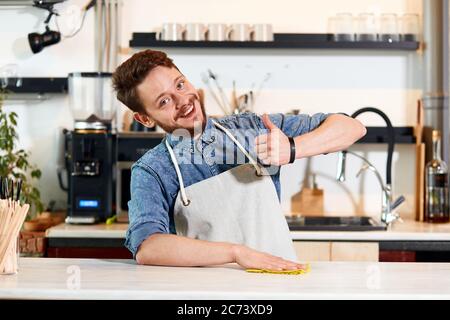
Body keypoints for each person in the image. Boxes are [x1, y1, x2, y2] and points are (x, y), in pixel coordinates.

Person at [112, 49, 366, 271]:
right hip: (203, 296)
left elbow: (352, 128)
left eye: (180, 85)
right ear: (145, 119)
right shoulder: (152, 170)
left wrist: (291, 148)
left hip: (276, 282)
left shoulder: (253, 127)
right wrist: (237, 253)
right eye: (164, 101)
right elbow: (149, 247)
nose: (183, 101)